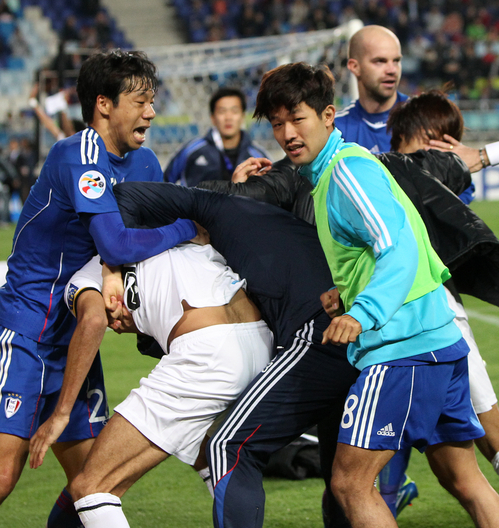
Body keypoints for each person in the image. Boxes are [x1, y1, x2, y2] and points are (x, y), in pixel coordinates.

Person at [255, 61, 499, 528]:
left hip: (401, 350)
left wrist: (362, 313)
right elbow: (382, 250)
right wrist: (343, 293)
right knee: (464, 480)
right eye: (277, 122)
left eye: (297, 118)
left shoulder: (346, 172)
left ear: (329, 116)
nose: (287, 132)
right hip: (439, 342)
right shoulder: (335, 172)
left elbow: (399, 248)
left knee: (349, 483)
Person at [0, 49, 198, 528]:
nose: (151, 112)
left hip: (77, 337)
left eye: (153, 102)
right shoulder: (78, 153)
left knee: (91, 481)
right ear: (104, 104)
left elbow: (163, 221)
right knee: (5, 474)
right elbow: (118, 241)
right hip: (26, 326)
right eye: (141, 101)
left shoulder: (145, 161)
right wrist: (189, 227)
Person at [98, 179, 359, 528]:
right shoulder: (258, 222)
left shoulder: (211, 210)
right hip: (353, 334)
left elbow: (122, 195)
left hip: (315, 335)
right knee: (346, 481)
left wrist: (113, 264)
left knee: (229, 446)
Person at [64, 244, 273, 527]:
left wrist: (61, 412)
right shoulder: (169, 233)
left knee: (91, 487)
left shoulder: (83, 277)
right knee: (214, 458)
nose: (114, 322)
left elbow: (93, 318)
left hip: (206, 354)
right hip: (261, 344)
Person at [164, 87, 269, 186]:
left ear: (243, 116)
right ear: (213, 117)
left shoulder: (257, 156)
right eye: (222, 111)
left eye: (234, 111)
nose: (228, 117)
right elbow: (165, 181)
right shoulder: (191, 150)